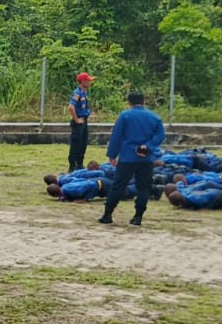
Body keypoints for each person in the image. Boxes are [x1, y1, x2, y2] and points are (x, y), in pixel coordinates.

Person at [99, 90, 165, 227]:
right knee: (143, 187)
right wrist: (148, 147)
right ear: (143, 102)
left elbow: (116, 136)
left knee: (118, 186)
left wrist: (112, 154)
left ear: (129, 103)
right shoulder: (154, 118)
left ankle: (107, 214)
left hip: (127, 157)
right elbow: (160, 135)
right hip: (146, 158)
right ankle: (138, 217)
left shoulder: (125, 116)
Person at [66, 73, 94, 173]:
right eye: (88, 80)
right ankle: (72, 166)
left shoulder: (84, 92)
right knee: (76, 144)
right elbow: (71, 107)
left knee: (83, 143)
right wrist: (76, 119)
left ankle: (79, 164)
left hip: (84, 120)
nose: (90, 82)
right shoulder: (77, 93)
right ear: (83, 81)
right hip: (78, 122)